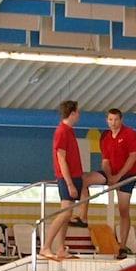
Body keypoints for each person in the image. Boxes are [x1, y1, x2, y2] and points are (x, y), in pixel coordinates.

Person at [42, 100, 93, 262]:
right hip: (66, 178)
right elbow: (61, 159)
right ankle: (45, 247)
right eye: (77, 112)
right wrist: (69, 183)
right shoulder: (62, 131)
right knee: (65, 213)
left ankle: (60, 248)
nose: (79, 114)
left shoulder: (69, 131)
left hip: (74, 176)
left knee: (67, 214)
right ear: (72, 113)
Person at [98, 109, 136, 258]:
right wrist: (110, 176)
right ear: (107, 121)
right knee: (87, 179)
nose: (113, 123)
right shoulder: (106, 137)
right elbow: (105, 161)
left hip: (127, 175)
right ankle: (82, 217)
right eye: (110, 120)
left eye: (116, 120)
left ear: (121, 120)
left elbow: (133, 157)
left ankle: (122, 246)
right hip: (112, 174)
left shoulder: (130, 134)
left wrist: (119, 176)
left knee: (123, 210)